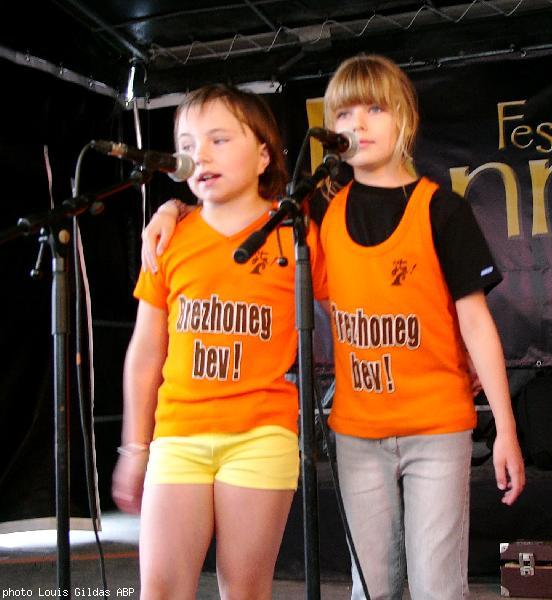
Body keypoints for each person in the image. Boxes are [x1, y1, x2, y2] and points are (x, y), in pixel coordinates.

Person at [141, 54, 525, 600]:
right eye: (344, 114)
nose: (358, 125)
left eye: (375, 109)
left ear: (406, 119)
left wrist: (505, 428)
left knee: (438, 586)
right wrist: (175, 209)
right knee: (370, 587)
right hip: (357, 431)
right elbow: (236, 209)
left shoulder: (442, 210)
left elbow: (477, 321)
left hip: (437, 426)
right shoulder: (318, 212)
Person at [112, 83, 327, 600]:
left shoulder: (294, 234)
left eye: (218, 139)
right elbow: (145, 352)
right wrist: (135, 447)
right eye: (186, 146)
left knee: (245, 590)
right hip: (179, 434)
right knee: (160, 590)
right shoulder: (170, 237)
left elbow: (348, 308)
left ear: (262, 155)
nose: (199, 155)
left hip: (261, 433)